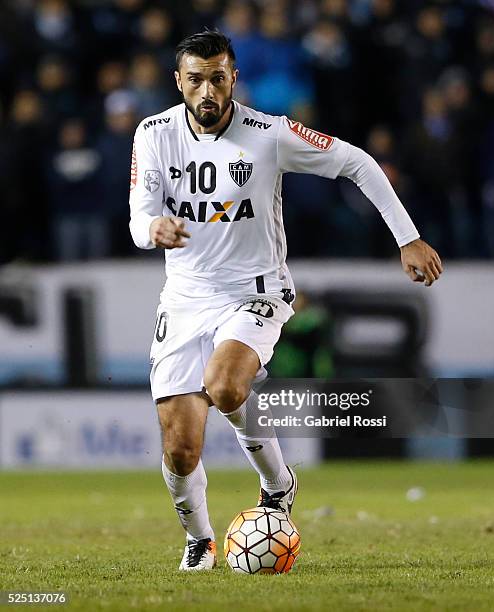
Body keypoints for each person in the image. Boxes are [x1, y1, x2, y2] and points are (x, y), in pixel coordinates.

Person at [128, 30, 442, 571]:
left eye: (218, 78)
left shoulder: (268, 134)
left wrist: (407, 237)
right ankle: (200, 540)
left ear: (234, 79)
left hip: (257, 291)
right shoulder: (153, 134)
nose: (208, 91)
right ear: (178, 81)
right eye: (196, 79)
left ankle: (277, 483)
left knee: (225, 386)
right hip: (183, 299)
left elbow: (358, 163)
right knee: (181, 446)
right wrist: (152, 227)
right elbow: (137, 215)